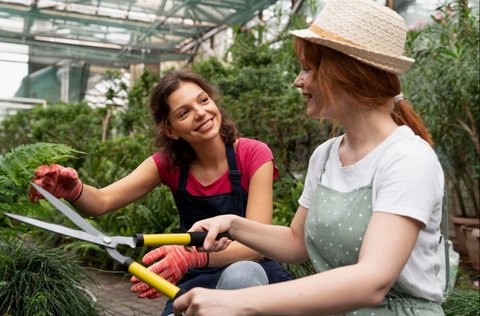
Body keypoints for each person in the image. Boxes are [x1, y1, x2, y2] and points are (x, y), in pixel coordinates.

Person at [173, 0, 446, 315]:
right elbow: (295, 242)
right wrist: (233, 225)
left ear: (342, 72)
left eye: (306, 68)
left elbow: (372, 281)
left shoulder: (407, 158)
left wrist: (238, 301)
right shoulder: (327, 155)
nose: (297, 81)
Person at [29, 69, 291, 316]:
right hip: (198, 280)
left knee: (242, 273)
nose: (200, 113)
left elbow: (255, 246)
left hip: (254, 276)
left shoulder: (253, 154)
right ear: (170, 130)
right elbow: (102, 201)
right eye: (184, 112)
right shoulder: (168, 164)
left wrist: (193, 257)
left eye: (203, 100)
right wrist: (75, 190)